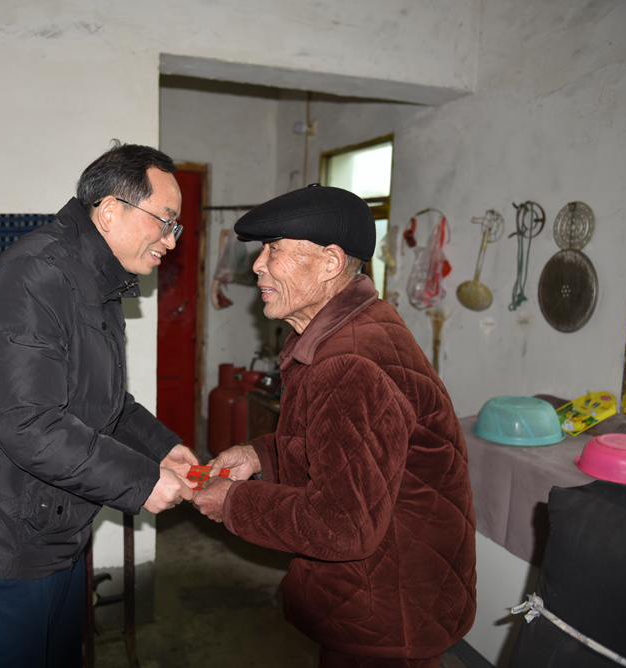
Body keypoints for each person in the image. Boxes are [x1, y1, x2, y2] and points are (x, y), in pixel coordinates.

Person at [0, 143, 198, 668]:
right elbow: (31, 424)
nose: (171, 240)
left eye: (176, 226)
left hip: (56, 532)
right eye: (165, 221)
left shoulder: (97, 283)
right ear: (111, 210)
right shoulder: (32, 279)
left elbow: (104, 403)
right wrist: (142, 481)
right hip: (4, 544)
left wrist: (163, 450)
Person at [193, 184, 476, 668]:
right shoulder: (357, 325)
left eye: (275, 249)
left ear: (329, 262)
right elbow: (345, 449)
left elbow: (341, 525)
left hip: (388, 608)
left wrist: (234, 502)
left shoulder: (350, 363)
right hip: (389, 590)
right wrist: (259, 454)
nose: (258, 265)